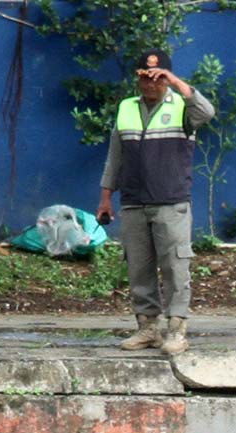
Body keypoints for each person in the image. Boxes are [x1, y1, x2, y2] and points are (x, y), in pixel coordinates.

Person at [97, 49, 215, 355]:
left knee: (176, 268)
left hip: (170, 200)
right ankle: (148, 328)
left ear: (167, 78)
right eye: (145, 78)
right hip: (134, 201)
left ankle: (177, 331)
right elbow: (115, 157)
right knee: (139, 268)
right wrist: (106, 198)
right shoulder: (126, 108)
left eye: (158, 77)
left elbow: (207, 113)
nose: (151, 84)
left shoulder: (182, 107)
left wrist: (177, 83)